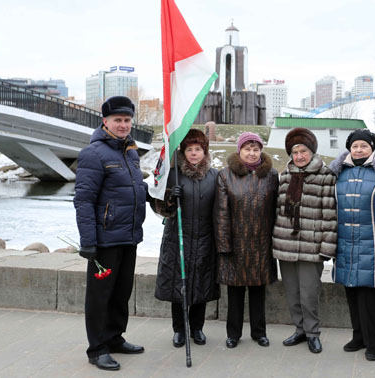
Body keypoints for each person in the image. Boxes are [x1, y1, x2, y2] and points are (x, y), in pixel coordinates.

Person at [74, 96, 147, 371]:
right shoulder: (93, 154)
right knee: (99, 296)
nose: (123, 125)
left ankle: (115, 338)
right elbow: (83, 200)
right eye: (118, 120)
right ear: (105, 122)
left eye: (127, 120)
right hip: (104, 240)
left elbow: (133, 190)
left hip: (129, 236)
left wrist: (158, 196)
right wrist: (88, 241)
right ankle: (97, 349)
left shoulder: (130, 152)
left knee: (121, 292)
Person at [329, 129, 375, 361]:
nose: (359, 149)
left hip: (373, 244)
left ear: (372, 147)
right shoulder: (339, 173)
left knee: (369, 295)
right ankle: (358, 336)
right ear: (349, 149)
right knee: (351, 291)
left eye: (363, 145)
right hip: (345, 243)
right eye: (354, 146)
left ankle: (373, 343)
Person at [152, 129, 220, 348]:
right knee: (178, 286)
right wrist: (171, 197)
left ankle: (197, 328)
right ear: (183, 152)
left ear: (204, 151)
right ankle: (179, 329)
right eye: (189, 149)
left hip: (205, 239)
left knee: (201, 285)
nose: (193, 153)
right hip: (178, 237)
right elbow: (159, 205)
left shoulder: (215, 176)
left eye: (198, 149)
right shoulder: (173, 174)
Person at [272, 127, 337, 354]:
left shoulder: (326, 176)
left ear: (312, 152)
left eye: (303, 151)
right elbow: (278, 211)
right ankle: (299, 330)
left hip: (312, 247)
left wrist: (326, 248)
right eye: (295, 152)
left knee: (309, 293)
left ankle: (313, 333)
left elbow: (330, 215)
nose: (299, 156)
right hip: (285, 245)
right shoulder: (285, 175)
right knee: (292, 293)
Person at [214, 132, 279, 349]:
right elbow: (222, 212)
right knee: (235, 290)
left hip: (262, 242)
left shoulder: (271, 175)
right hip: (236, 243)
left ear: (261, 151)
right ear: (239, 151)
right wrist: (224, 244)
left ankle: (259, 332)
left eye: (255, 149)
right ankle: (233, 333)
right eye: (247, 149)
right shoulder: (225, 175)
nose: (251, 153)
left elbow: (276, 210)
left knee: (258, 290)